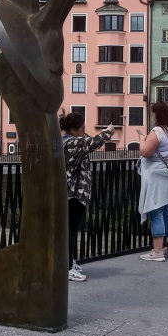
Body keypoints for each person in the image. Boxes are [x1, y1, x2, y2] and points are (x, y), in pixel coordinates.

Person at [61, 113, 113, 281]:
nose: (84, 132)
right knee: (70, 230)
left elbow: (88, 141)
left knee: (71, 230)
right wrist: (109, 131)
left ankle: (69, 262)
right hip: (75, 194)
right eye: (82, 129)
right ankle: (67, 268)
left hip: (74, 193)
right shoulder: (72, 143)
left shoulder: (70, 141)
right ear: (73, 130)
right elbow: (93, 142)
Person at [137, 101, 168, 262]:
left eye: (153, 113)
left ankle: (157, 251)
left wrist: (142, 139)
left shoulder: (158, 131)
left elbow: (145, 152)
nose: (152, 116)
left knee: (156, 209)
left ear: (157, 114)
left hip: (157, 175)